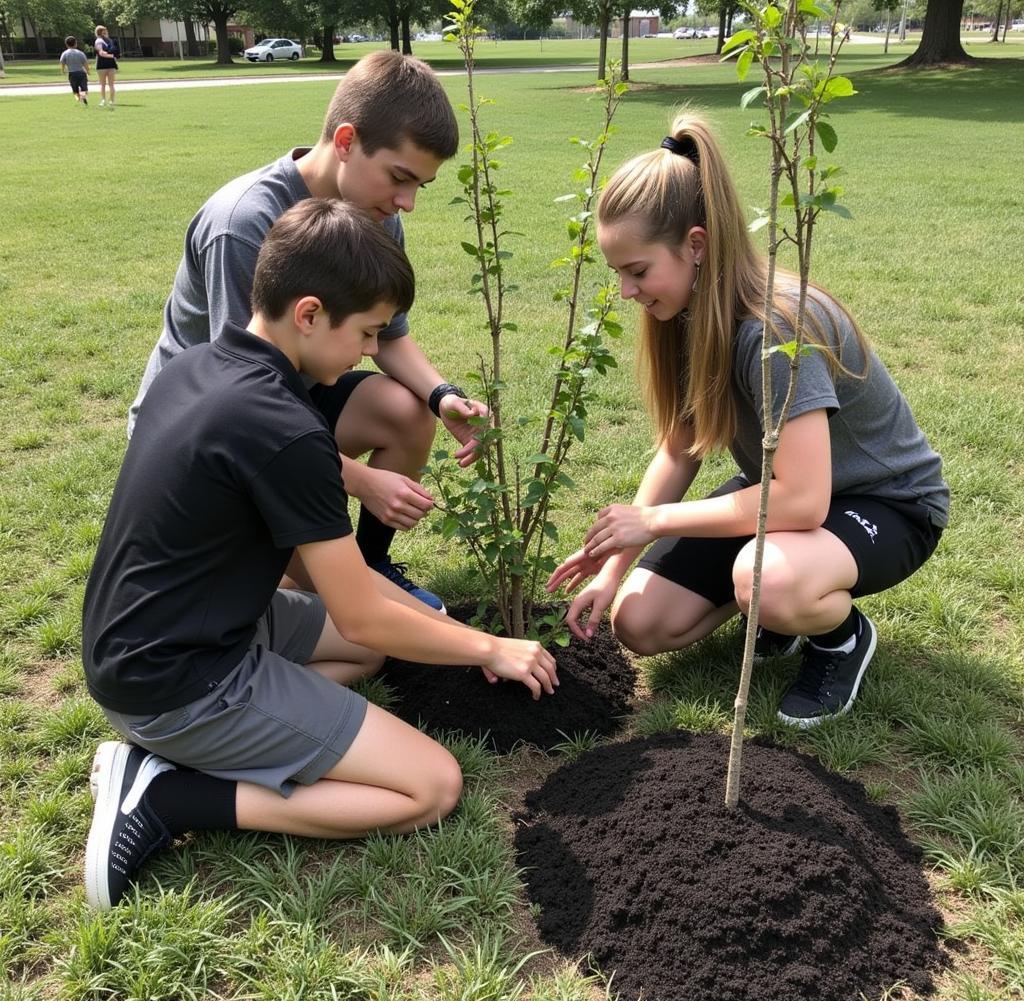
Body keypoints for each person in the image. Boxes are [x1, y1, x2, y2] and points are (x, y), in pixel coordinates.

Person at [82, 199, 559, 911]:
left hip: (145, 642)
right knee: (432, 786)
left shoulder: (196, 368)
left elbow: (347, 598)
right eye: (366, 332)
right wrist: (489, 648)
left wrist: (449, 631)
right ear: (308, 314)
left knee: (364, 660)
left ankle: (203, 747)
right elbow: (363, 614)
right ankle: (169, 795)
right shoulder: (288, 429)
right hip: (178, 683)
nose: (371, 351)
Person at [547, 114, 949, 729]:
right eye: (617, 274)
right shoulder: (682, 316)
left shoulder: (775, 330)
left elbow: (805, 500)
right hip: (785, 491)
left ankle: (838, 637)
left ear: (697, 246)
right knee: (639, 622)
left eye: (637, 271)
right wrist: (611, 570)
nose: (627, 292)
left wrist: (650, 521)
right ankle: (773, 608)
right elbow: (679, 450)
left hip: (885, 503)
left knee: (766, 580)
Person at [127, 49, 486, 612]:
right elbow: (242, 404)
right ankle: (348, 595)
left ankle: (371, 571)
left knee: (407, 407)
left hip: (283, 398)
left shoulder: (376, 216)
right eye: (399, 177)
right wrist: (361, 482)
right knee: (319, 591)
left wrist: (442, 397)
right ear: (345, 141)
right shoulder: (245, 224)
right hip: (204, 427)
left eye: (421, 185)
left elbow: (388, 335)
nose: (407, 204)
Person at [59, 36, 90, 106]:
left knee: (75, 89)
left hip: (72, 74)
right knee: (84, 87)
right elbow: (85, 63)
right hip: (81, 73)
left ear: (66, 44)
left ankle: (78, 98)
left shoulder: (65, 53)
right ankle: (83, 97)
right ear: (75, 43)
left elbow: (62, 63)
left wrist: (63, 70)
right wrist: (88, 71)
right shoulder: (80, 53)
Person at [93, 25, 117, 107]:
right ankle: (104, 100)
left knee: (110, 84)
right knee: (104, 84)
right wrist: (112, 56)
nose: (106, 33)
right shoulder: (99, 41)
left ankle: (111, 100)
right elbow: (101, 53)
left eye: (106, 31)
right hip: (102, 64)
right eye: (104, 31)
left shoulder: (109, 41)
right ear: (100, 33)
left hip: (109, 65)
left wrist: (112, 54)